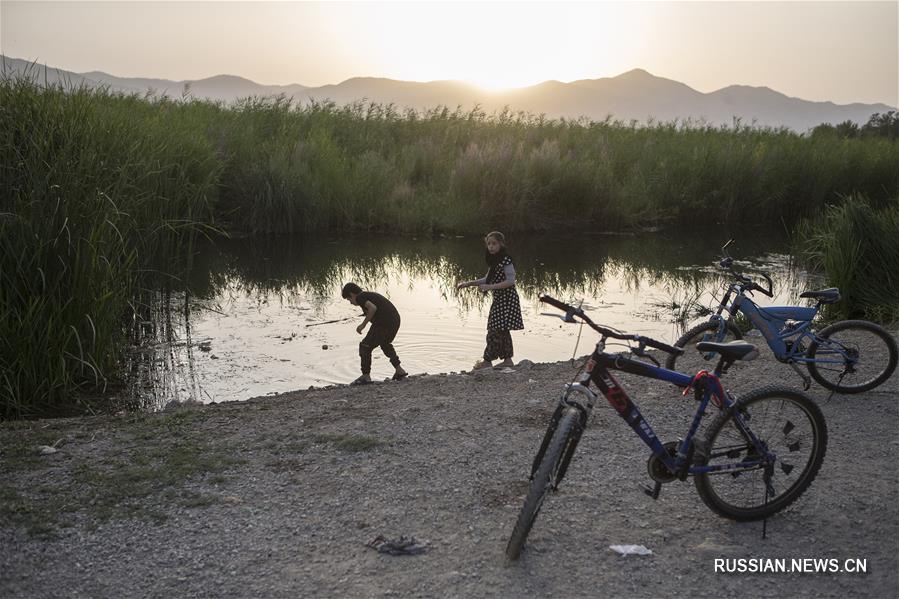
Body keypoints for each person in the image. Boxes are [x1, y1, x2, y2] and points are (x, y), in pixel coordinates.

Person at [456, 231, 524, 369]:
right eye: (489, 244)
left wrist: (489, 287)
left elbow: (511, 281)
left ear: (501, 244)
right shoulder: (495, 260)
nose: (491, 247)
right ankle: (508, 360)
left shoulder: (505, 259)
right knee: (502, 330)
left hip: (507, 299)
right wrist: (469, 283)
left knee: (493, 329)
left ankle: (487, 361)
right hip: (500, 298)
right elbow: (488, 279)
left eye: (494, 244)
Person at [341, 282, 408, 385]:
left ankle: (366, 376)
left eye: (349, 299)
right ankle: (399, 370)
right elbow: (374, 309)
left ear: (352, 294)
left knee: (365, 346)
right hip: (394, 320)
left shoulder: (360, 297)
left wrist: (363, 324)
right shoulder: (367, 296)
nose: (350, 302)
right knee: (385, 344)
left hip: (384, 323)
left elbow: (373, 308)